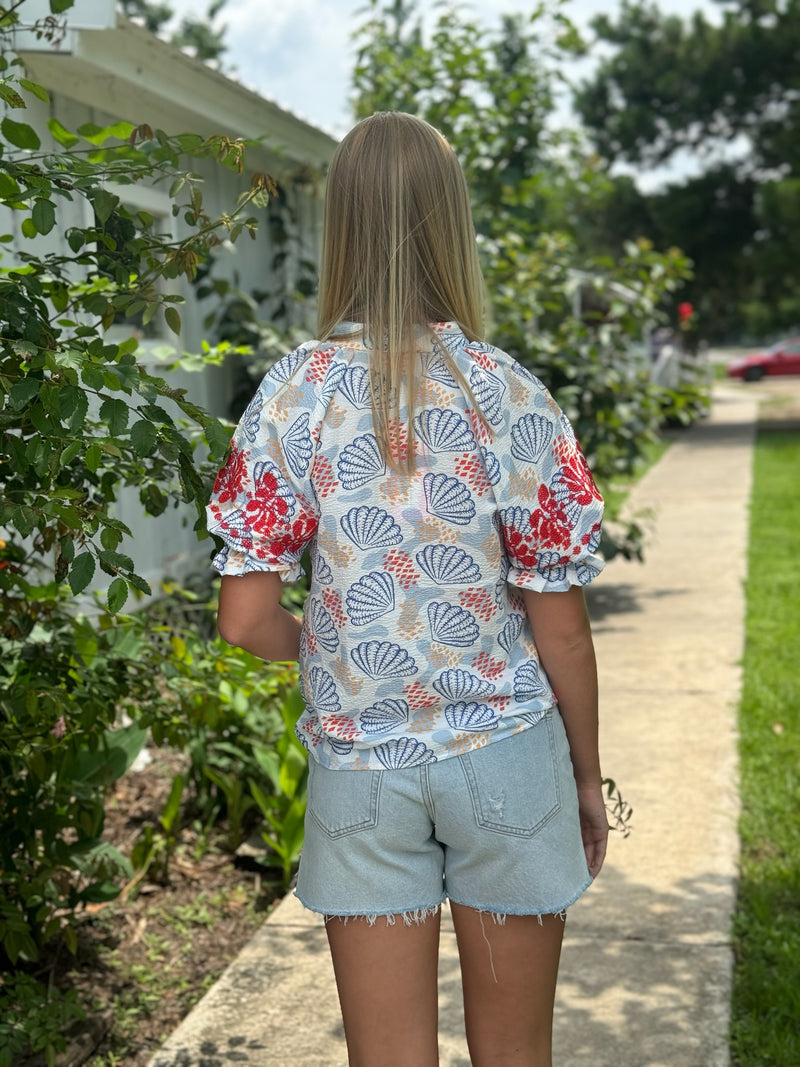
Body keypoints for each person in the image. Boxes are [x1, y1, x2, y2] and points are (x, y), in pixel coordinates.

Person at [206, 111, 608, 1067]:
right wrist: (587, 778)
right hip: (507, 750)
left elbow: (245, 620)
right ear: (451, 224)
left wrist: (340, 650)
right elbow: (562, 634)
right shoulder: (508, 393)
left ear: (343, 225)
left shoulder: (291, 396)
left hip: (362, 769)